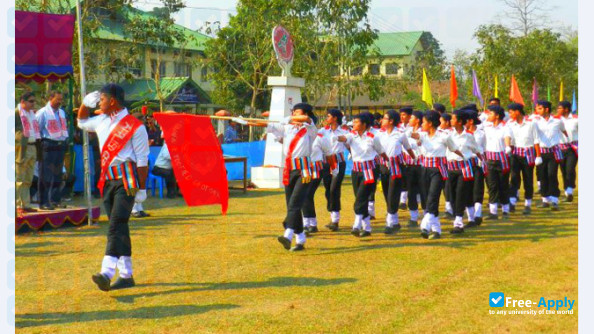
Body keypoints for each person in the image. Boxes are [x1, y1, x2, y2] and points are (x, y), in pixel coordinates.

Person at [77, 84, 150, 291]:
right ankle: (126, 275)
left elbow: (143, 160)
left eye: (101, 99)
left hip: (127, 180)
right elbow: (81, 122)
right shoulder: (101, 120)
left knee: (116, 224)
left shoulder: (136, 126)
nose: (98, 102)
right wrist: (84, 104)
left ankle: (107, 272)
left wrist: (142, 188)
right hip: (108, 178)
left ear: (113, 101)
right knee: (120, 226)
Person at [248, 103, 317, 251]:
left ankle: (288, 234)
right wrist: (248, 120)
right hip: (289, 168)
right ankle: (300, 239)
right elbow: (268, 125)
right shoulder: (287, 127)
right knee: (291, 204)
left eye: (296, 111)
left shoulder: (310, 128)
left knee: (295, 203)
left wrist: (286, 119)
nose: (293, 114)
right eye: (292, 112)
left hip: (303, 169)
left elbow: (305, 118)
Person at [410, 111, 463, 239]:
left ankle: (425, 225)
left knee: (433, 196)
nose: (422, 124)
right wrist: (409, 129)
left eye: (423, 122)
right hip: (425, 169)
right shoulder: (422, 135)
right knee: (427, 198)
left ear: (430, 123)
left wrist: (464, 157)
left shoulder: (443, 136)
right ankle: (437, 230)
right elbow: (414, 135)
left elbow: (454, 149)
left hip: (439, 170)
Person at [335, 114, 388, 237]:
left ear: (364, 124)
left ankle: (356, 225)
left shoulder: (372, 137)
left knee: (360, 198)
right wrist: (336, 138)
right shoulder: (352, 135)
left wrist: (387, 162)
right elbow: (344, 138)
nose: (353, 124)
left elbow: (381, 152)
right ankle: (367, 228)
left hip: (369, 170)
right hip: (356, 170)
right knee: (360, 198)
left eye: (356, 122)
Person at [378, 110, 415, 234]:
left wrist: (415, 159)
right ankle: (395, 221)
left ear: (391, 121)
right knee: (386, 194)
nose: (382, 120)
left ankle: (390, 223)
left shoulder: (400, 134)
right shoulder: (380, 134)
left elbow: (408, 148)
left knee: (393, 194)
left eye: (385, 118)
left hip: (397, 167)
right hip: (383, 166)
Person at [446, 110, 482, 234]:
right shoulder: (448, 135)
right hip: (451, 168)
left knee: (460, 194)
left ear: (460, 121)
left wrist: (483, 162)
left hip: (464, 168)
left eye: (453, 119)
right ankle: (471, 218)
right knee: (452, 196)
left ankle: (458, 223)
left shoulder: (469, 136)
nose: (450, 121)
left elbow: (476, 150)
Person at [35, 90, 68, 210]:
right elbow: (36, 129)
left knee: (57, 173)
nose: (60, 102)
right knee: (45, 174)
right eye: (57, 99)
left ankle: (55, 199)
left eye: (61, 99)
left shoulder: (62, 112)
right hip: (48, 144)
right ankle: (43, 201)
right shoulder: (42, 112)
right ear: (50, 98)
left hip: (60, 144)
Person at [506, 103, 541, 215]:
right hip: (515, 153)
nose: (510, 114)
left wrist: (538, 155)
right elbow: (508, 138)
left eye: (511, 112)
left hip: (528, 153)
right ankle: (512, 202)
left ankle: (528, 204)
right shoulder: (510, 124)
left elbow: (536, 140)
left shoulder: (531, 123)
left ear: (518, 111)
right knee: (514, 178)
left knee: (528, 179)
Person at [533, 100, 567, 210]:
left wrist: (564, 142)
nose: (537, 110)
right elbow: (535, 138)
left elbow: (564, 131)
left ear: (546, 109)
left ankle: (554, 200)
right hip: (541, 152)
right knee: (542, 176)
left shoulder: (557, 121)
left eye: (539, 108)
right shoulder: (535, 122)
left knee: (552, 174)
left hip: (554, 152)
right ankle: (545, 200)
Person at [318, 109, 349, 231]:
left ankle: (335, 220)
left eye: (329, 116)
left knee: (334, 189)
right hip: (326, 162)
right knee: (327, 189)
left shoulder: (344, 131)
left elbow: (350, 145)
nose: (327, 117)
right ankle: (332, 216)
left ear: (335, 118)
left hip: (338, 162)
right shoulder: (322, 131)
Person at [483, 105, 513, 220]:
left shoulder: (505, 127)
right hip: (490, 159)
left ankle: (505, 210)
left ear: (497, 116)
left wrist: (507, 146)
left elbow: (507, 137)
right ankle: (493, 212)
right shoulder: (487, 127)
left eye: (491, 114)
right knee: (492, 185)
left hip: (502, 159)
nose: (488, 116)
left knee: (503, 185)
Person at [302, 130, 333, 233]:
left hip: (316, 168)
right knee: (305, 195)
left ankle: (310, 223)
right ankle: (309, 222)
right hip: (303, 168)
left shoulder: (319, 137)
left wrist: (333, 167)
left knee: (307, 194)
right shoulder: (298, 135)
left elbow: (329, 152)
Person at [15, 92, 40, 215]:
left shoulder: (32, 114)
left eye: (34, 101)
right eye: (31, 101)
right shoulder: (16, 113)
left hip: (32, 146)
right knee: (20, 177)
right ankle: (19, 204)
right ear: (22, 102)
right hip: (21, 148)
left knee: (28, 178)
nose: (33, 103)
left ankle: (26, 204)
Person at [464, 110, 487, 227]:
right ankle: (471, 218)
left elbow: (482, 148)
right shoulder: (463, 133)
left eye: (465, 121)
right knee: (467, 191)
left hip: (477, 163)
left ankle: (477, 214)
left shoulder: (480, 134)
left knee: (477, 189)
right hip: (465, 165)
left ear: (471, 121)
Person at [403, 111, 425, 226]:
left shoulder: (424, 132)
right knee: (411, 192)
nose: (409, 119)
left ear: (418, 120)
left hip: (422, 165)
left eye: (412, 118)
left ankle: (427, 216)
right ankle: (413, 217)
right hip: (410, 165)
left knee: (423, 191)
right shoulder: (406, 131)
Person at [557, 101, 578, 202]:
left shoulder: (576, 119)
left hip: (572, 148)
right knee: (563, 170)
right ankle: (567, 190)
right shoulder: (556, 120)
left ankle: (569, 191)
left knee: (570, 169)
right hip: (560, 148)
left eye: (560, 108)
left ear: (566, 109)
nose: (557, 110)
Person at [398, 107, 414, 210]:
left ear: (409, 116)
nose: (402, 117)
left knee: (412, 180)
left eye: (404, 115)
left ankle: (415, 199)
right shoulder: (398, 127)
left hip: (412, 156)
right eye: (401, 115)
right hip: (402, 155)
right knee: (403, 179)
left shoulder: (413, 127)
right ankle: (402, 201)